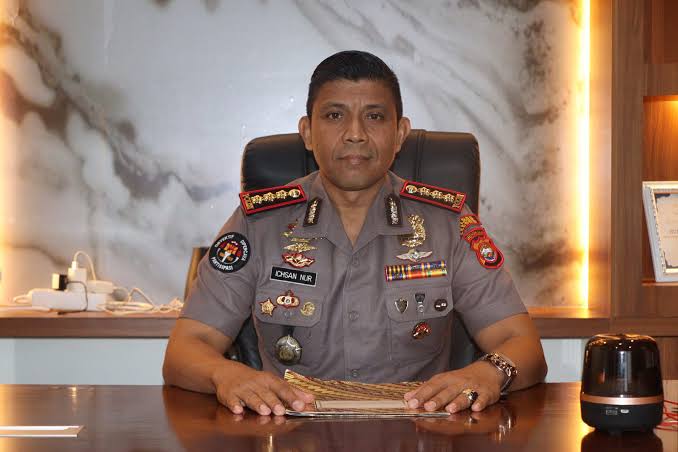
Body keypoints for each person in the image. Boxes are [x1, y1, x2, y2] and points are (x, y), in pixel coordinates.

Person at [163, 50, 547, 417]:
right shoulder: (259, 224)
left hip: (417, 431)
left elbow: (523, 345)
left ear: (400, 134)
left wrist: (488, 373)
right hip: (292, 431)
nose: (355, 134)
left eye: (374, 116)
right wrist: (227, 374)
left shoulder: (446, 223)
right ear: (307, 133)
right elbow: (185, 351)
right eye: (335, 115)